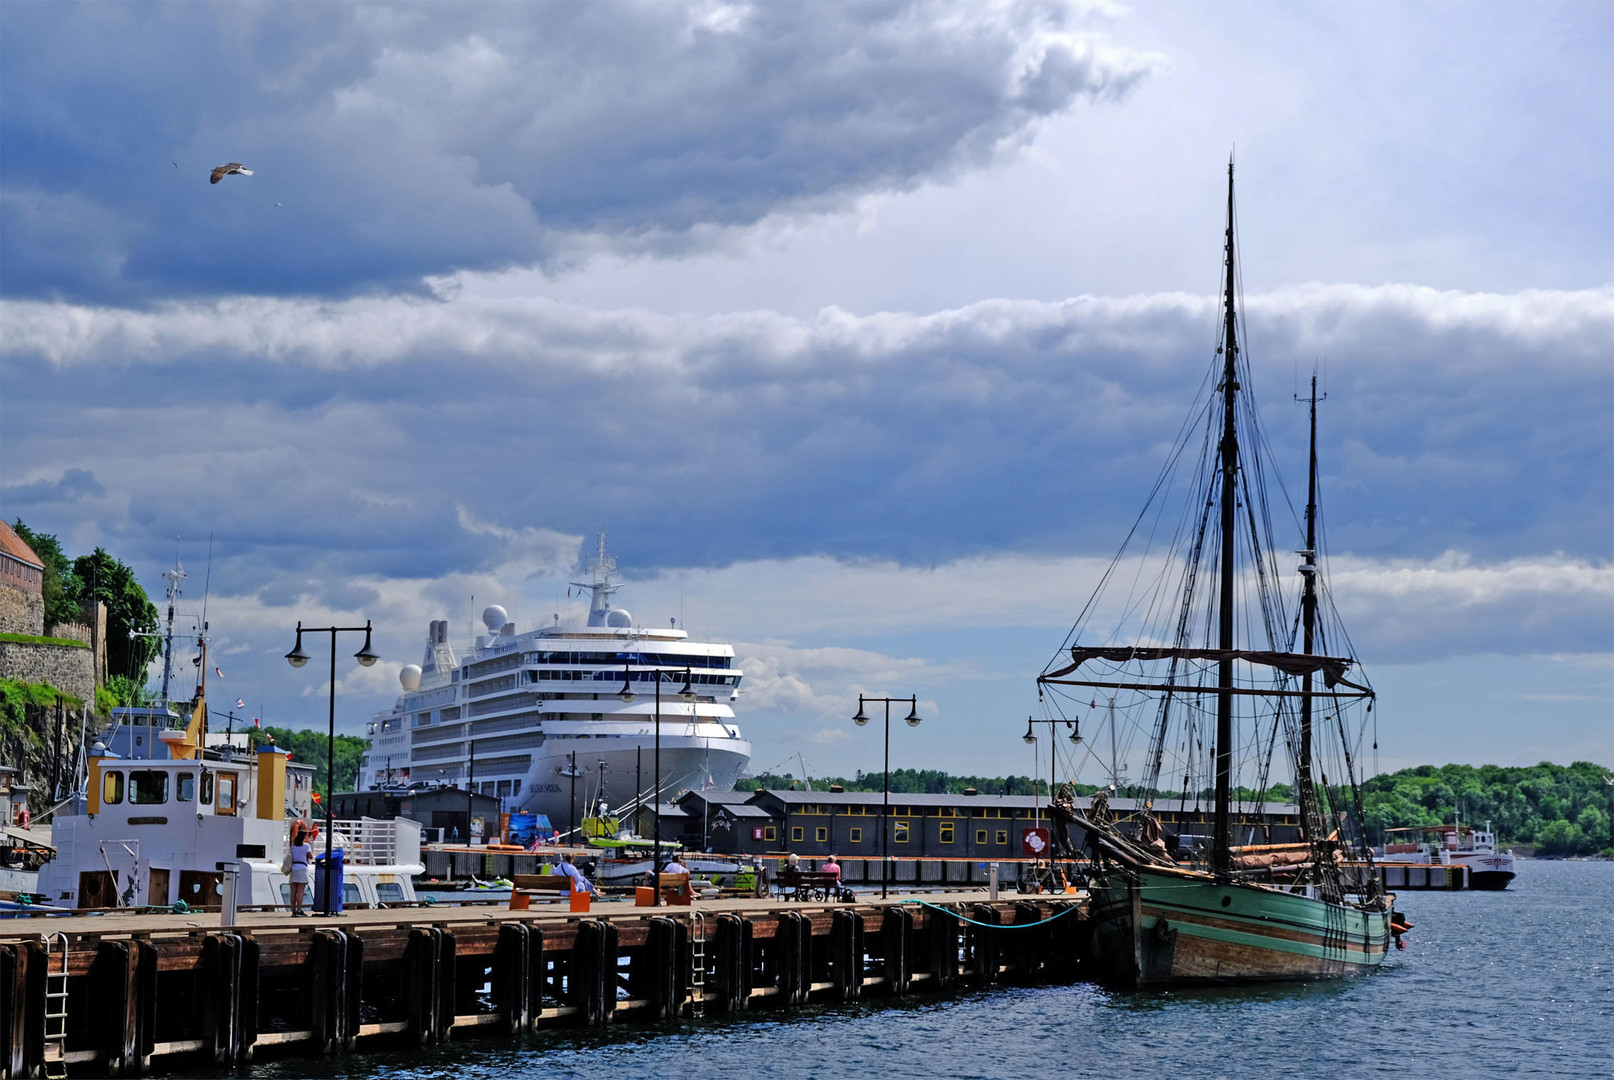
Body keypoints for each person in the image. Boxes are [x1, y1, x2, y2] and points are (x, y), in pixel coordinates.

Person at [288, 821, 312, 916]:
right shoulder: (306, 846)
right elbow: (310, 856)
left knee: (293, 891)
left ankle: (293, 910)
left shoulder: (293, 845)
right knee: (300, 891)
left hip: (294, 867)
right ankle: (299, 910)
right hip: (302, 867)